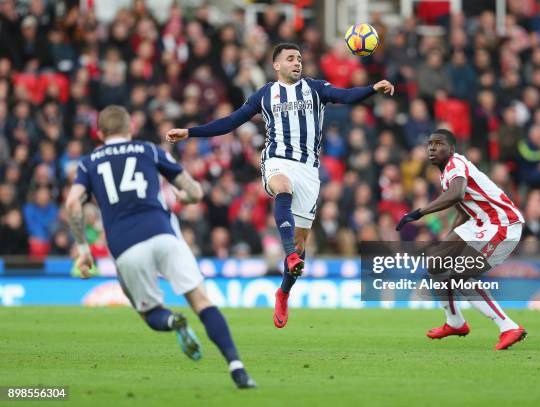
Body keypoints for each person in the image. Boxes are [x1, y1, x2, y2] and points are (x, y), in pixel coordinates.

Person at [166, 42, 394, 328]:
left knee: (301, 247)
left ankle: (283, 291)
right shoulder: (265, 95)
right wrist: (190, 132)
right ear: (277, 65)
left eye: (299, 58)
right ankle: (288, 257)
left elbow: (345, 96)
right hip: (277, 160)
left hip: (309, 170)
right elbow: (230, 121)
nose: (297, 62)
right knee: (282, 188)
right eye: (290, 58)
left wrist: (372, 89)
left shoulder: (315, 88)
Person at [65, 105, 256, 388]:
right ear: (130, 129)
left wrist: (83, 249)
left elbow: (72, 204)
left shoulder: (89, 162)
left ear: (100, 133)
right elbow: (194, 191)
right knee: (202, 302)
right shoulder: (149, 150)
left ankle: (172, 322)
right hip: (163, 234)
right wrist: (186, 198)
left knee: (150, 311)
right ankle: (236, 366)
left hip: (126, 247)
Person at [396, 129, 527, 350]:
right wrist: (447, 240)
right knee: (436, 262)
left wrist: (420, 212)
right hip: (480, 222)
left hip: (502, 224)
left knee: (460, 273)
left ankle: (508, 326)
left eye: (439, 144)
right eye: (430, 144)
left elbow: (456, 194)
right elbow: (463, 212)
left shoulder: (456, 164)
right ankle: (454, 322)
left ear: (452, 149)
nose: (432, 148)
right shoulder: (446, 174)